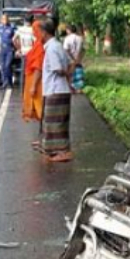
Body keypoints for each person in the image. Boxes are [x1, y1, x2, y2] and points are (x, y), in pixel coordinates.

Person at [40, 19, 73, 162]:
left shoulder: (52, 48)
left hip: (55, 89)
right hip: (60, 89)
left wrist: (65, 74)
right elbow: (71, 62)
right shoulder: (57, 45)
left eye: (39, 32)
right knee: (54, 122)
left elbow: (58, 69)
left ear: (44, 32)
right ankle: (54, 150)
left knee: (56, 122)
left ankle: (63, 152)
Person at [21, 18, 45, 123]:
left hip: (37, 82)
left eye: (35, 30)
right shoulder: (37, 43)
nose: (33, 32)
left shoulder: (40, 45)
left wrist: (33, 86)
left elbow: (38, 67)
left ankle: (45, 132)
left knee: (40, 107)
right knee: (37, 106)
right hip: (32, 78)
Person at [0, 14, 17, 89]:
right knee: (2, 67)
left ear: (8, 19)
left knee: (7, 66)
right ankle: (5, 83)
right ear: (1, 20)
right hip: (2, 49)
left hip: (10, 49)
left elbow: (17, 36)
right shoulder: (0, 27)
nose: (4, 20)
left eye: (5, 19)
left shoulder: (12, 27)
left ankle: (9, 82)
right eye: (3, 19)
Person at [63, 25, 85, 93]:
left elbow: (66, 50)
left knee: (70, 75)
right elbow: (83, 50)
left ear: (69, 30)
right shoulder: (80, 38)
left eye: (67, 30)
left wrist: (73, 58)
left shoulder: (67, 38)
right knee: (78, 75)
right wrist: (79, 58)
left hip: (70, 60)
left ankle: (71, 89)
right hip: (78, 60)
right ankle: (78, 89)